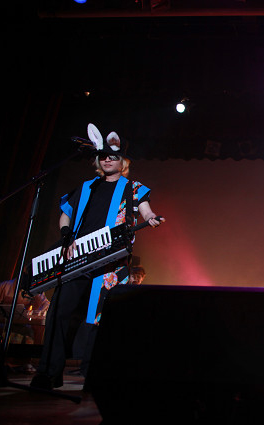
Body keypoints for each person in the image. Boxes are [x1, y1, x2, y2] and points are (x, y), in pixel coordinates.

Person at [31, 123, 165, 390]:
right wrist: (66, 235)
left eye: (113, 156)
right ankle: (49, 373)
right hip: (78, 258)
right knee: (58, 311)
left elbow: (145, 208)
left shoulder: (132, 187)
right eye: (103, 156)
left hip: (111, 262)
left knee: (100, 318)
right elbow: (65, 213)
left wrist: (150, 217)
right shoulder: (87, 187)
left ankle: (94, 375)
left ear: (123, 162)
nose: (107, 160)